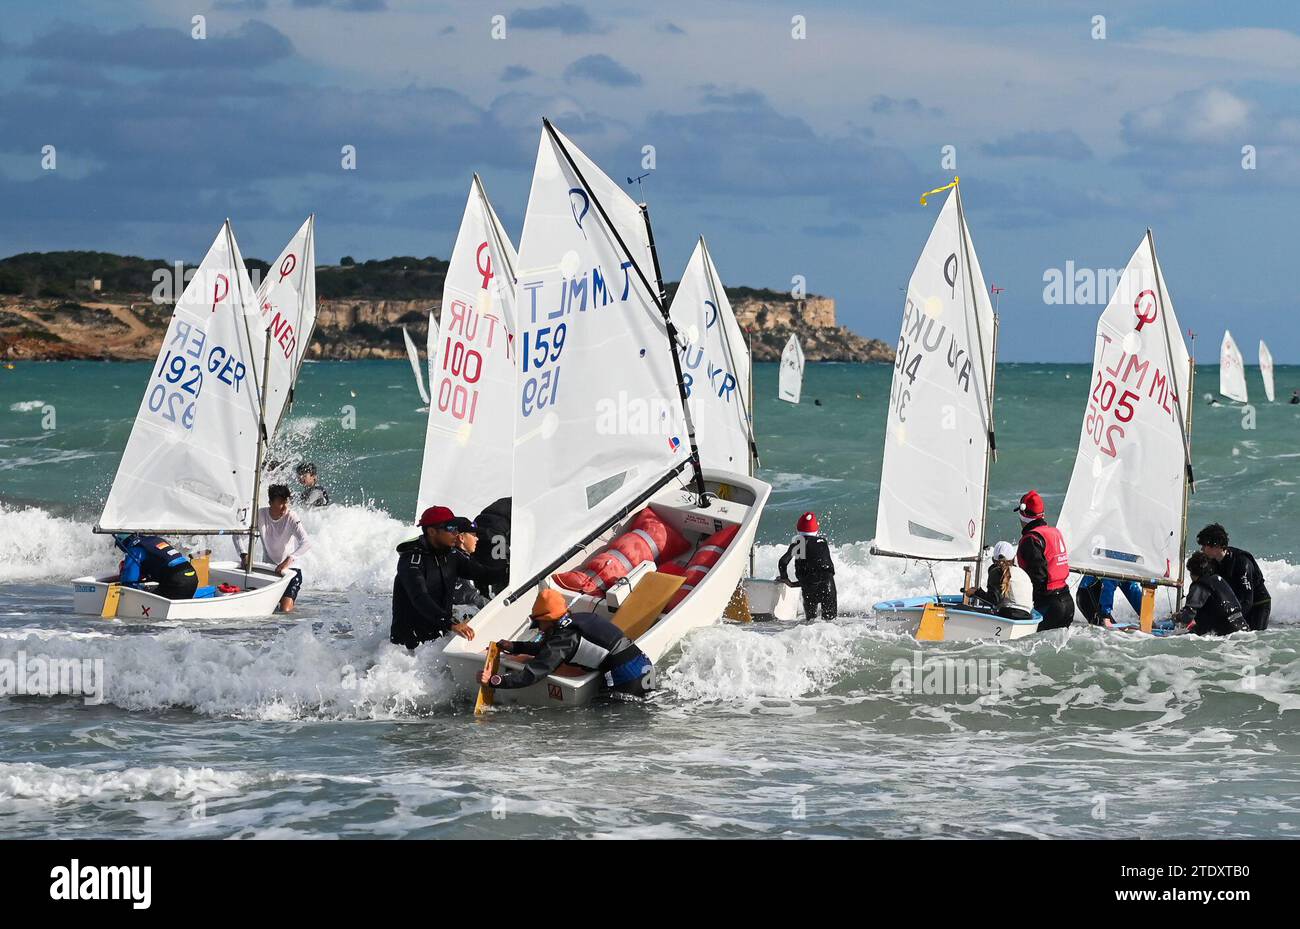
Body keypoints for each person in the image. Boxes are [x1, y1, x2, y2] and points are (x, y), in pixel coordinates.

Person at [479, 589, 655, 698]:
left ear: (547, 619)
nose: (539, 629)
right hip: (643, 665)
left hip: (626, 677)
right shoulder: (578, 620)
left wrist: (495, 681)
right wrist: (515, 647)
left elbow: (534, 673)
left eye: (538, 623)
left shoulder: (565, 637)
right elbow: (547, 649)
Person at [390, 505, 507, 650]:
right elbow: (419, 597)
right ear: (432, 531)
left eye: (456, 528)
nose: (456, 533)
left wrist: (510, 568)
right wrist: (450, 623)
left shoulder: (451, 555)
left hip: (438, 639)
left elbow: (484, 575)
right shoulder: (411, 561)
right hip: (407, 650)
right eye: (451, 529)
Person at [237, 483, 310, 613]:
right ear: (270, 502)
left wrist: (289, 559)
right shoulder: (260, 515)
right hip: (269, 570)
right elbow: (238, 535)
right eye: (280, 503)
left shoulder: (291, 516)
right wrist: (244, 554)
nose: (284, 507)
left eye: (285, 502)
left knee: (285, 612)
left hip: (290, 570)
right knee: (266, 612)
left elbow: (306, 542)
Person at [1014, 490, 1075, 631]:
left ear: (1023, 515)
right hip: (1068, 602)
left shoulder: (1030, 540)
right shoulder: (1055, 532)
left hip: (1049, 606)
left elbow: (1038, 576)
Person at [1196, 523, 1271, 631]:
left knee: (1251, 641)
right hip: (1237, 603)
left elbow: (1247, 600)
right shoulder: (1212, 563)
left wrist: (1228, 619)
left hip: (1257, 605)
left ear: (1216, 545)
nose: (1202, 549)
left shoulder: (1242, 562)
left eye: (1204, 545)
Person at [777, 511, 837, 621]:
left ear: (798, 529)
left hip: (809, 587)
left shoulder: (799, 543)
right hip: (828, 583)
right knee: (830, 622)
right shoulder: (822, 542)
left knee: (810, 622)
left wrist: (785, 578)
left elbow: (783, 562)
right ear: (816, 530)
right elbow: (818, 571)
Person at [1171, 552, 1249, 636]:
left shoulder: (1200, 585)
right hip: (1242, 630)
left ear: (1192, 572)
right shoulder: (1218, 579)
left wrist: (1176, 617)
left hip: (1224, 633)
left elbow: (1188, 616)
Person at [112, 533, 198, 599]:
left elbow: (129, 583)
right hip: (192, 575)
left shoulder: (135, 549)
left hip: (176, 579)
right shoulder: (155, 540)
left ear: (123, 543)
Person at [964, 541, 1034, 620]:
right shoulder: (1023, 573)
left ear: (993, 560)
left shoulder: (996, 571)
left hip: (1008, 614)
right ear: (1014, 558)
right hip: (1027, 617)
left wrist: (976, 592)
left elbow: (994, 600)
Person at [470, 496, 511, 598]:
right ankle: (499, 599)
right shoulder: (522, 506)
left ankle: (483, 595)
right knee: (500, 570)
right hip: (496, 536)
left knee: (479, 566)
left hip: (479, 532)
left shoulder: (505, 502)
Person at [1076, 574, 1144, 628]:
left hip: (1100, 596)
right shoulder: (1116, 566)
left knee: (1116, 633)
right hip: (1087, 596)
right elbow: (1108, 587)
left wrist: (1145, 616)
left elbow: (1132, 591)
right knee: (1109, 632)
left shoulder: (1128, 567)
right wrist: (1106, 617)